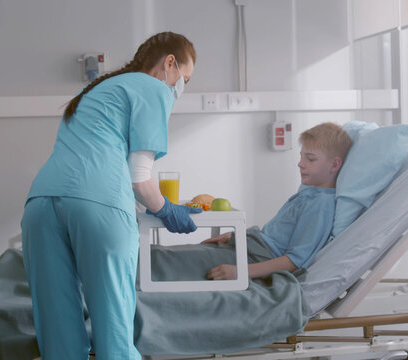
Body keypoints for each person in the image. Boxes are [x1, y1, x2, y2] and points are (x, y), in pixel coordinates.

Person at [20, 32, 201, 360]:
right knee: (114, 329)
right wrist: (167, 209)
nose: (180, 87)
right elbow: (139, 176)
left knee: (58, 332)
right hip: (97, 206)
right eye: (184, 79)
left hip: (41, 204)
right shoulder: (153, 87)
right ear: (169, 63)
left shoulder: (95, 91)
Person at [203, 122, 352, 280]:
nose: (300, 164)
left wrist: (240, 272)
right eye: (301, 157)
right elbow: (274, 237)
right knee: (188, 255)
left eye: (310, 159)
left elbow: (294, 261)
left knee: (185, 261)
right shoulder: (309, 194)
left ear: (334, 164)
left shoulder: (321, 205)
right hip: (253, 247)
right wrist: (238, 237)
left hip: (256, 258)